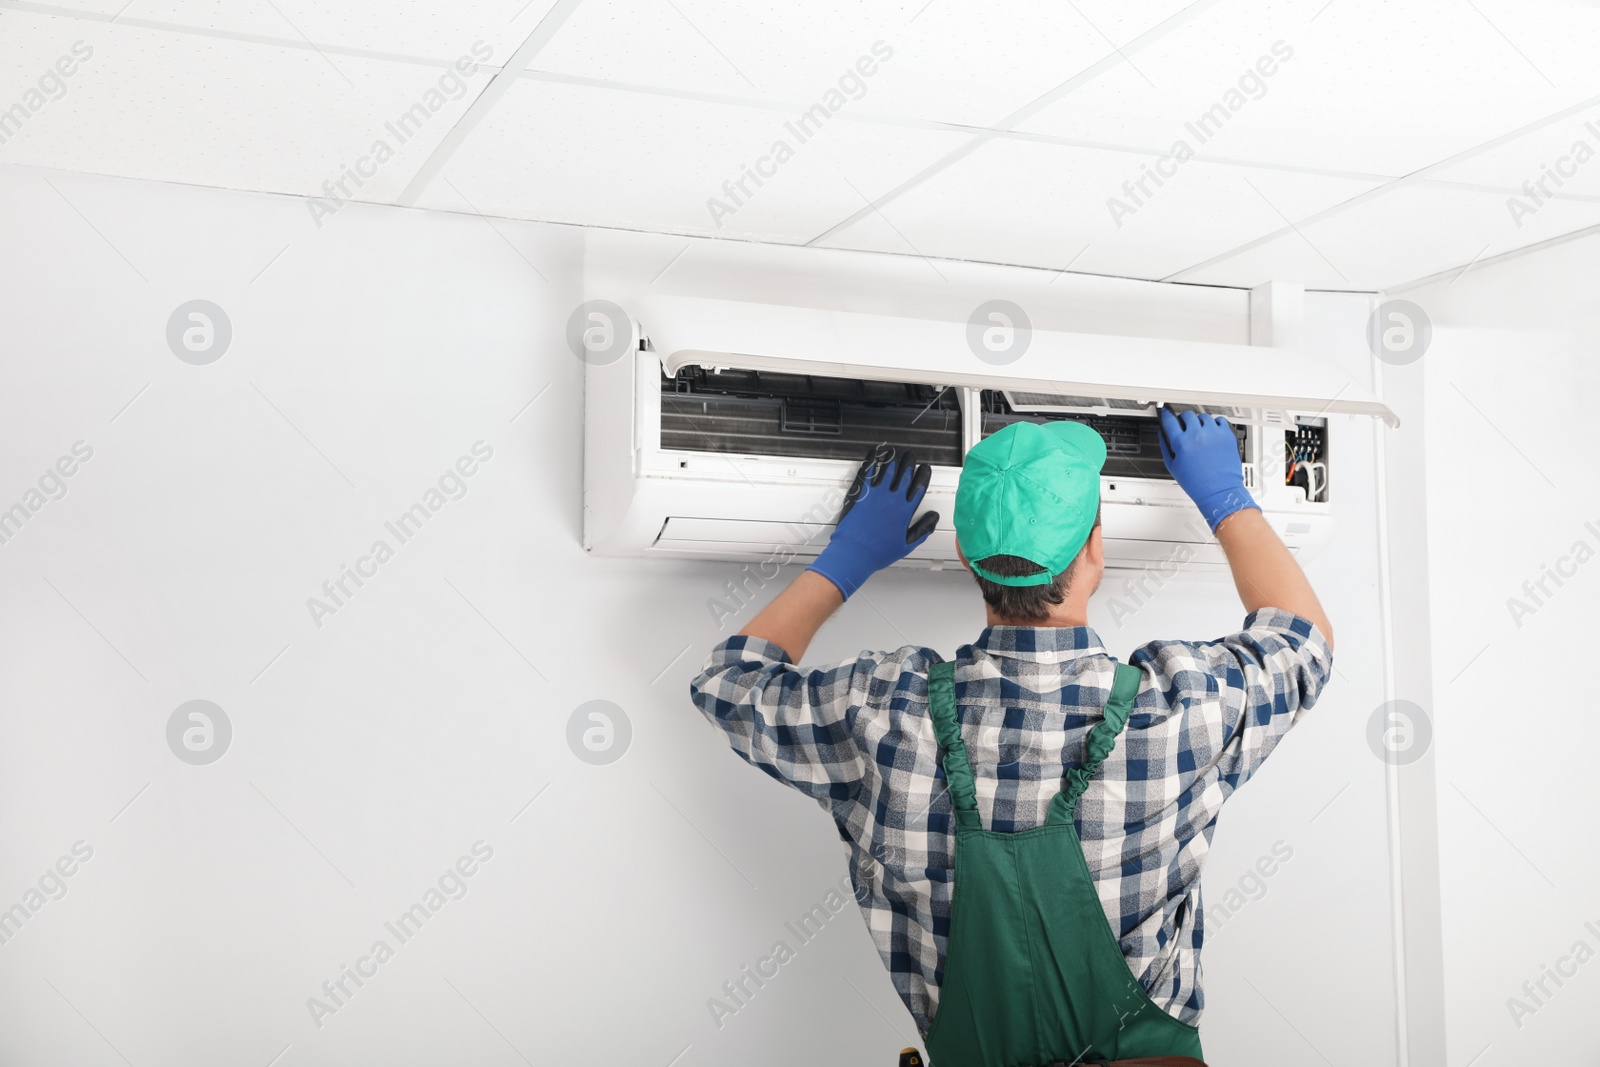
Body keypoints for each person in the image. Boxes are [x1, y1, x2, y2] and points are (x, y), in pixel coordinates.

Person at [688, 407, 1334, 1065]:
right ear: (1095, 549)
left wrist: (848, 557)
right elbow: (1302, 644)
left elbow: (728, 681)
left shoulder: (880, 711)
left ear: (967, 554)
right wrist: (1226, 497)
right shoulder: (1177, 709)